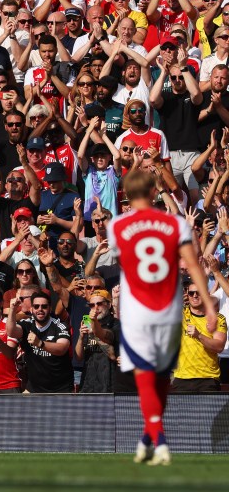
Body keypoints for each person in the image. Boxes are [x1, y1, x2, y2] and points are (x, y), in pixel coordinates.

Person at [107, 169, 219, 466]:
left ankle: (156, 433)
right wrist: (208, 305)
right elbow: (193, 265)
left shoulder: (117, 225)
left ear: (127, 196)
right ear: (155, 192)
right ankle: (152, 433)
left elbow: (125, 261)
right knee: (163, 374)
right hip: (168, 306)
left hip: (136, 308)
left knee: (145, 372)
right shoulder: (175, 224)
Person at [170, 282, 227, 393]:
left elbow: (219, 346)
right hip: (182, 379)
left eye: (199, 292)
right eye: (191, 293)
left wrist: (199, 335)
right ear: (187, 294)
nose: (195, 296)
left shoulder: (217, 318)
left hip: (208, 379)